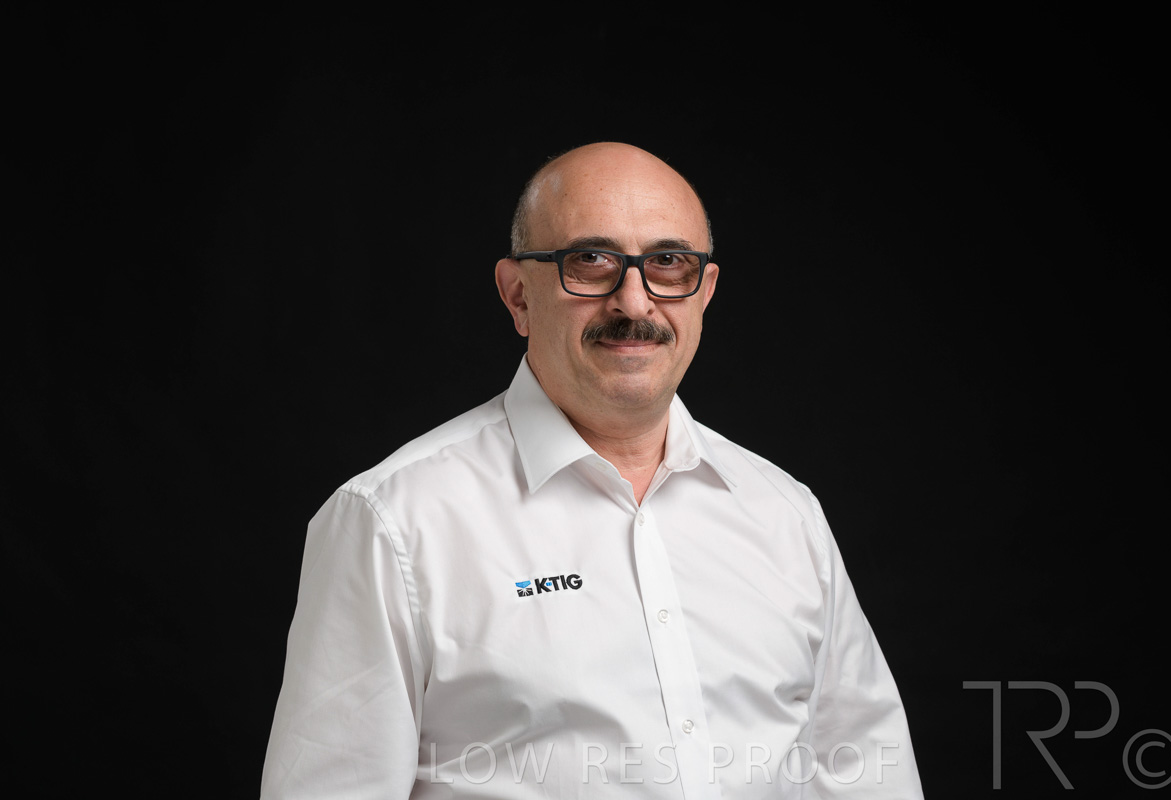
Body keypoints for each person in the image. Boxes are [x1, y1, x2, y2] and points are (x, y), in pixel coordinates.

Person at [261, 142, 924, 798]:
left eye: (668, 263)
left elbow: (869, 775)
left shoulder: (784, 512)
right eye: (591, 260)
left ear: (705, 292)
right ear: (518, 295)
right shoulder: (394, 521)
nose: (634, 303)